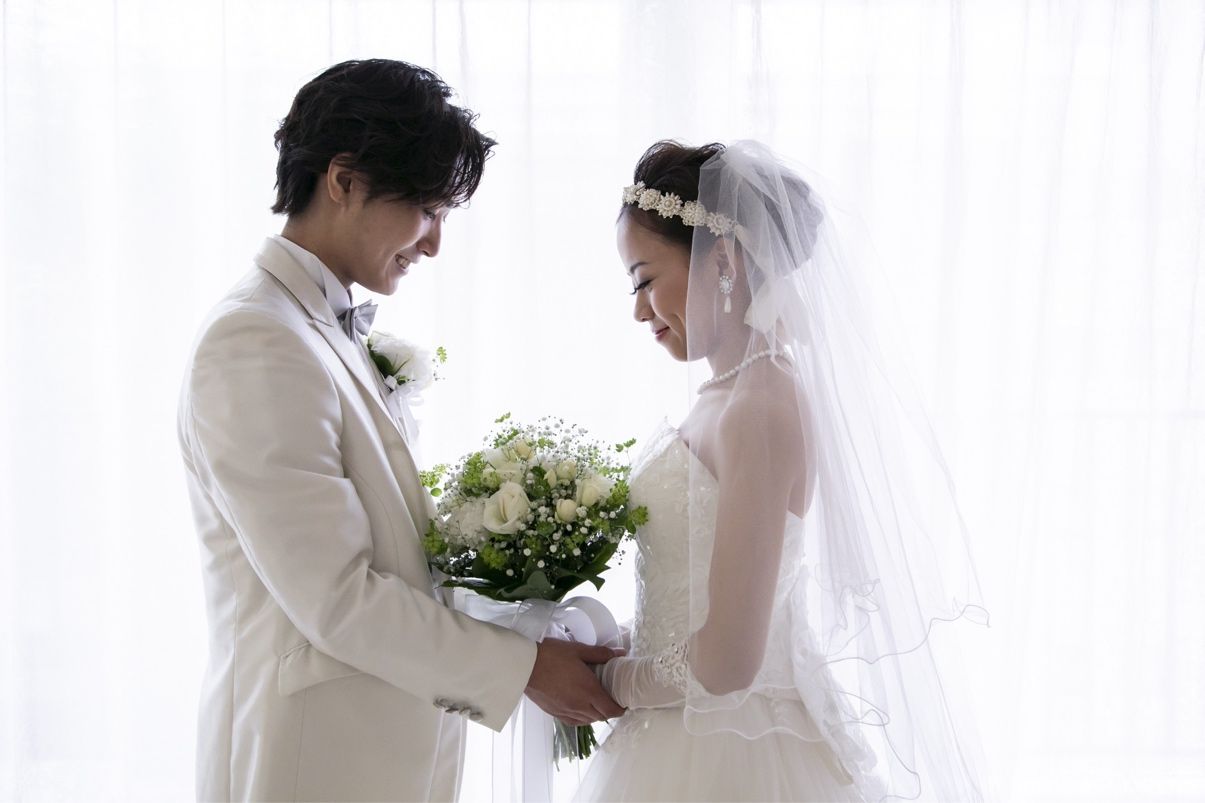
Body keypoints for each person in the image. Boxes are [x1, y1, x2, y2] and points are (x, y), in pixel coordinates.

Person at [176, 59, 623, 803]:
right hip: (312, 765)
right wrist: (521, 668)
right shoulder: (255, 340)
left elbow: (393, 558)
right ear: (343, 180)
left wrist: (517, 620)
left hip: (377, 754)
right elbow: (336, 597)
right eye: (427, 209)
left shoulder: (316, 328)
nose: (435, 243)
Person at [576, 140, 989, 802]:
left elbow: (728, 661)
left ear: (724, 261)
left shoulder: (762, 405)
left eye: (644, 280)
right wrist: (614, 642)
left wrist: (610, 682)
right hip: (676, 731)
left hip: (735, 747)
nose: (638, 309)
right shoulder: (724, 396)